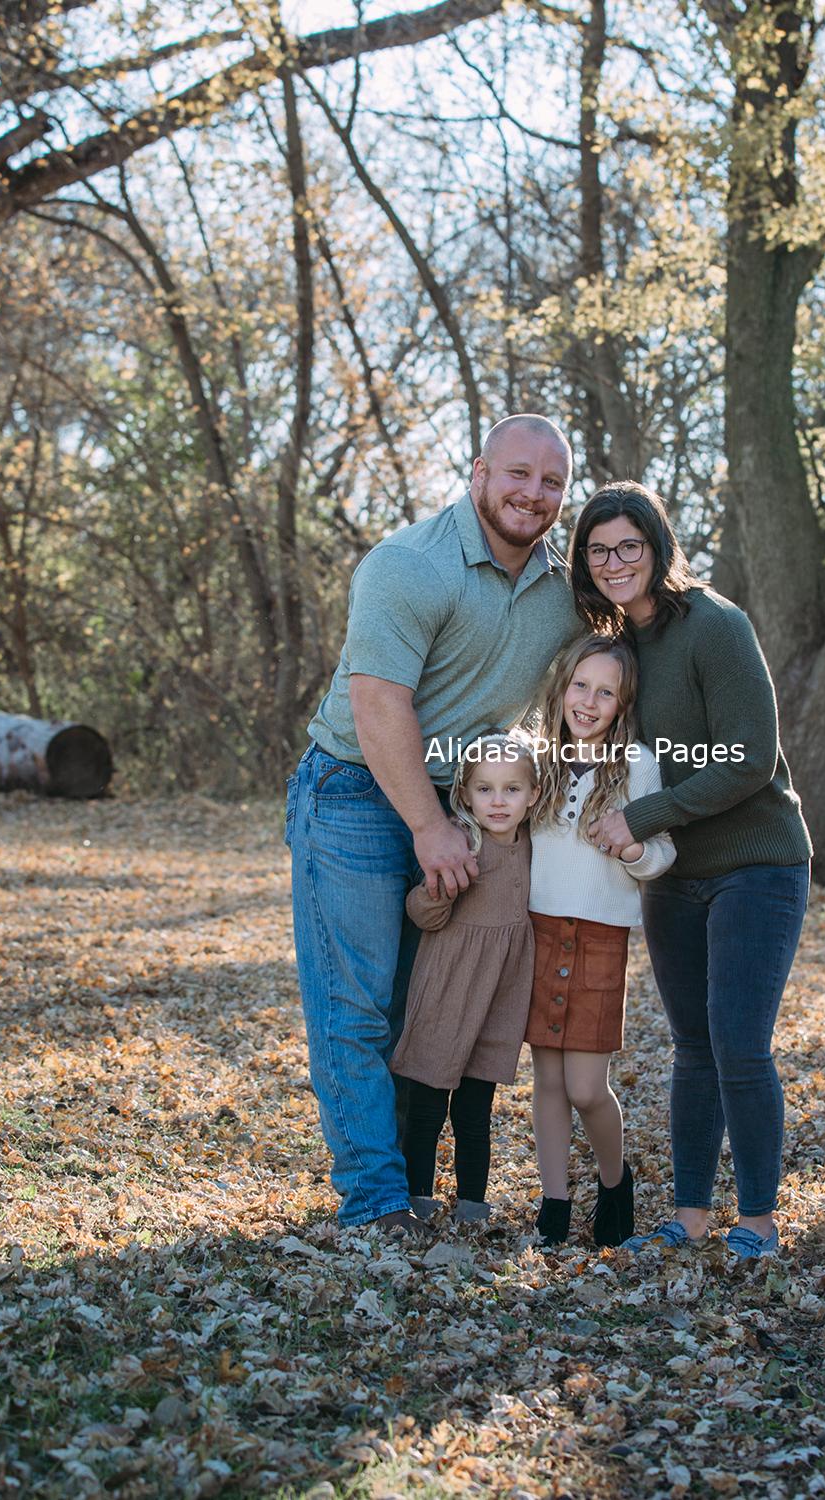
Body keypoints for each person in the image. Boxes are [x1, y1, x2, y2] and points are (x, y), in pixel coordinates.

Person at [285, 415, 579, 1231]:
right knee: (356, 1007)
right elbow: (378, 703)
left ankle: (405, 1182)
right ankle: (376, 1202)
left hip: (459, 802)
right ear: (478, 472)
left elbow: (618, 661)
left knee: (417, 1010)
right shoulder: (409, 564)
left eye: (552, 481)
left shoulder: (564, 590)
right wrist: (428, 827)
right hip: (353, 791)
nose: (533, 493)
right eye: (518, 473)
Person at [568, 481, 812, 1260]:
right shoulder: (616, 648)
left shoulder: (715, 625)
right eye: (598, 551)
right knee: (693, 1047)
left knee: (738, 1042)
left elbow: (748, 758)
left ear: (657, 547)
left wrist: (643, 817)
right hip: (672, 874)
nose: (614, 562)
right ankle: (691, 1217)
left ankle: (760, 1224)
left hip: (756, 864)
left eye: (628, 546)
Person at [525, 634, 676, 1248]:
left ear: (623, 703)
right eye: (580, 686)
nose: (588, 702)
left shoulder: (638, 764)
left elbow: (662, 853)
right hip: (538, 932)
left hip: (599, 937)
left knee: (586, 1088)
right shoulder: (536, 759)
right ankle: (555, 1203)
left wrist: (633, 848)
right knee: (548, 1081)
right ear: (561, 688)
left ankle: (615, 1181)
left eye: (605, 692)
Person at [390, 736, 539, 1223]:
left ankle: (473, 1204)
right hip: (448, 988)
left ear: (533, 795)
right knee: (428, 1104)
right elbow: (422, 914)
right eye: (485, 789)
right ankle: (418, 1198)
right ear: (465, 795)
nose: (498, 801)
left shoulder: (536, 846)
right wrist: (441, 889)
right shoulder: (462, 842)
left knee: (475, 1109)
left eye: (512, 788)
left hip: (499, 996)